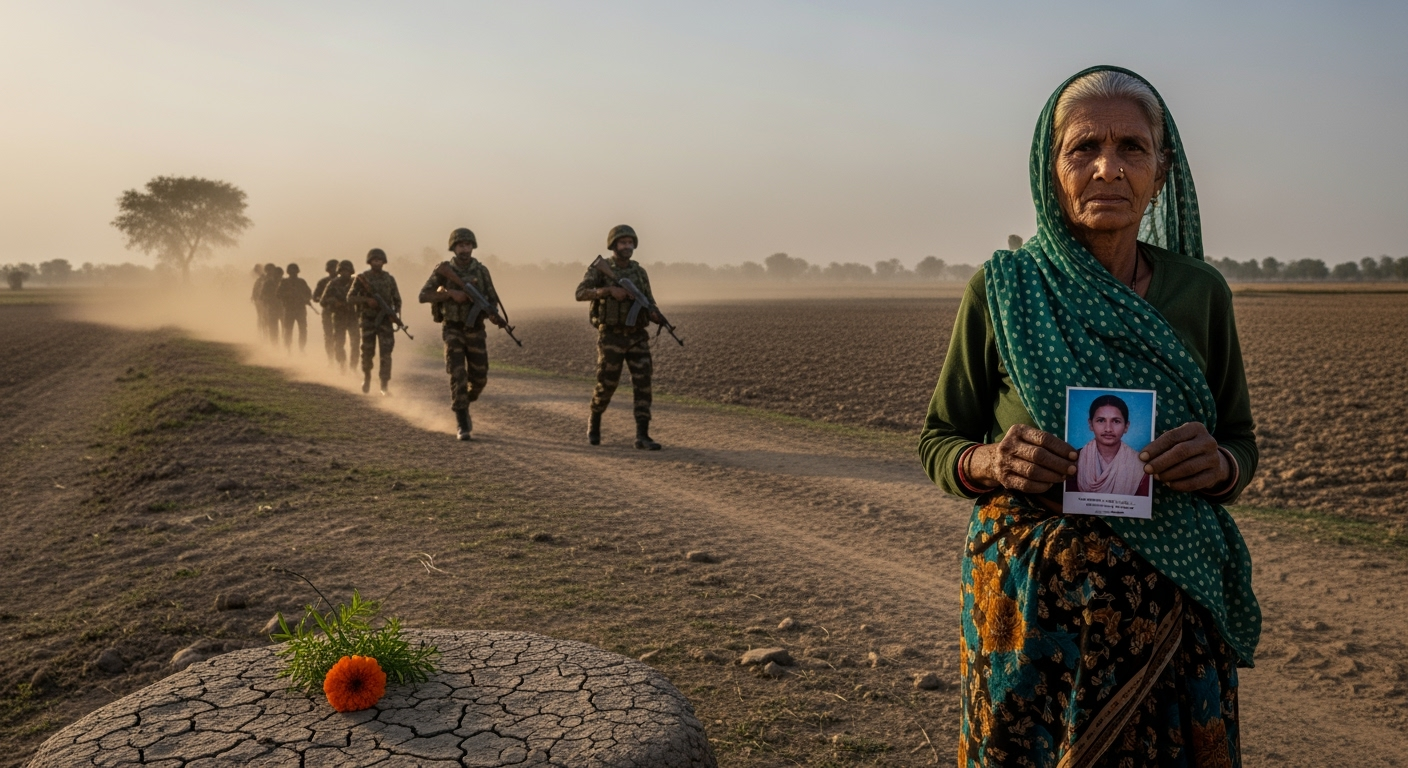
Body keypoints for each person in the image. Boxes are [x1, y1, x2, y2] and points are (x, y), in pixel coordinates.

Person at [918, 67, 1259, 766]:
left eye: (1132, 147)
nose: (1108, 168)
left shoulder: (1201, 294)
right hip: (1030, 611)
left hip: (1172, 606)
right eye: (1083, 148)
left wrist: (1218, 464)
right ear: (1052, 168)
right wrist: (988, 461)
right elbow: (939, 440)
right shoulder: (1005, 288)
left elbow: (1240, 444)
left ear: (1162, 171)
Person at [575, 224, 662, 450]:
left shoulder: (639, 272)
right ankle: (594, 421)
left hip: (637, 337)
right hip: (611, 337)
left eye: (630, 243)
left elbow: (649, 300)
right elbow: (580, 293)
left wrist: (655, 314)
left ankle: (642, 434)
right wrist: (607, 291)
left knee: (643, 383)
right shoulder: (600, 269)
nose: (627, 246)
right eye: (623, 243)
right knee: (607, 384)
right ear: (614, 245)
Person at [418, 228, 505, 441]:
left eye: (467, 245)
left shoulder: (481, 271)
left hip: (475, 329)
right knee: (458, 374)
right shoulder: (444, 270)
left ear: (473, 246)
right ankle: (462, 421)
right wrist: (450, 293)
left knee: (479, 378)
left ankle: (465, 400)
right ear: (454, 248)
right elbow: (423, 295)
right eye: (460, 245)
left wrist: (493, 314)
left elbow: (491, 299)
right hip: (453, 329)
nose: (464, 249)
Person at [1067, 394, 1151, 496]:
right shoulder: (1075, 461)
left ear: (1126, 426)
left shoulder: (1140, 466)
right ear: (1090, 424)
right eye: (1101, 420)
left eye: (1116, 421)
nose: (1108, 429)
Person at [346, 248, 401, 395]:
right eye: (374, 260)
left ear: (384, 262)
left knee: (386, 353)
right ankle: (367, 377)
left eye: (380, 260)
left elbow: (397, 299)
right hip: (368, 320)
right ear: (370, 262)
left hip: (385, 322)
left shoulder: (389, 279)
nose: (377, 262)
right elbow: (350, 298)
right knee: (367, 351)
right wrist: (367, 300)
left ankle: (384, 384)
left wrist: (394, 314)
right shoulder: (362, 278)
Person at [322, 260, 358, 373]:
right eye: (343, 271)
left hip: (353, 317)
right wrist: (335, 302)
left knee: (355, 342)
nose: (345, 273)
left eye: (347, 271)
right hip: (338, 317)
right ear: (339, 271)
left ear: (351, 271)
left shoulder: (356, 283)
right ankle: (342, 363)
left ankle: (353, 366)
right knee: (338, 343)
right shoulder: (333, 284)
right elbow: (323, 301)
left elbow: (363, 298)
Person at [277, 263, 313, 354]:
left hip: (300, 309)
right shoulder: (284, 282)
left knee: (303, 330)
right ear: (289, 272)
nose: (293, 273)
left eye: (295, 271)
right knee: (288, 330)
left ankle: (301, 348)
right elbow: (278, 294)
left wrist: (306, 299)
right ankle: (288, 348)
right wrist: (288, 295)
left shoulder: (301, 282)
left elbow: (309, 293)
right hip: (289, 309)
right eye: (291, 271)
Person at [312, 259, 339, 365]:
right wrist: (326, 300)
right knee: (329, 336)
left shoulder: (346, 281)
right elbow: (315, 297)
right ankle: (331, 359)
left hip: (342, 313)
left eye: (336, 268)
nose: (334, 271)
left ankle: (340, 360)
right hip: (327, 312)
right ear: (328, 270)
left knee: (339, 337)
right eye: (332, 268)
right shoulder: (323, 282)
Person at [258, 264, 284, 345]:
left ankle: (286, 344)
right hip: (272, 308)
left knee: (286, 328)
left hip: (283, 308)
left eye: (279, 275)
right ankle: (275, 345)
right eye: (277, 274)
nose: (278, 277)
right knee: (273, 328)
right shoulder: (267, 283)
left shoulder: (285, 283)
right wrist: (268, 300)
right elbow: (261, 296)